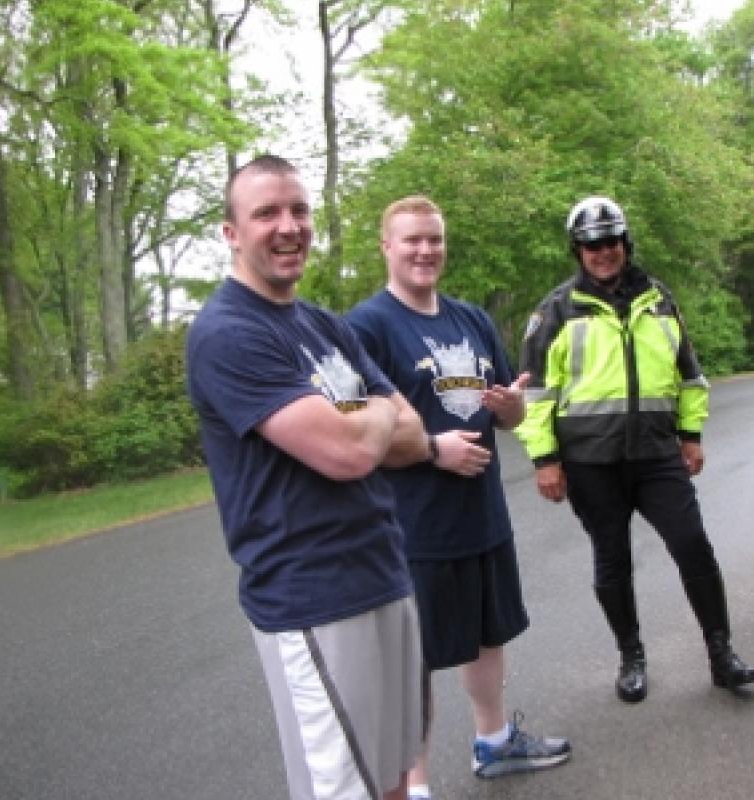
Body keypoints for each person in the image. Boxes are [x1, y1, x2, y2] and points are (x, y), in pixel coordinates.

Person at [186, 155, 425, 800]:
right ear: (232, 231)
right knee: (342, 787)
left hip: (383, 571)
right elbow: (349, 453)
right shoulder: (227, 333)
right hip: (313, 598)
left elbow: (416, 438)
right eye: (266, 212)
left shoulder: (324, 325)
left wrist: (365, 425)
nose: (288, 226)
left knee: (396, 772)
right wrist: (376, 413)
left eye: (298, 209)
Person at [347, 196, 570, 800]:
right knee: (412, 660)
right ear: (387, 246)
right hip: (414, 526)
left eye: (435, 240)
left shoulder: (471, 320)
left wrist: (512, 408)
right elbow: (354, 428)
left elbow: (510, 410)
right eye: (412, 240)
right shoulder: (365, 327)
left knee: (486, 633)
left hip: (482, 515)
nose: (425, 251)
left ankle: (494, 742)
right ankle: (413, 784)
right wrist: (431, 449)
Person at [515, 195, 754, 702]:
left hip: (656, 454)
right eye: (591, 245)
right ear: (577, 250)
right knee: (613, 559)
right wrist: (545, 459)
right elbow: (535, 395)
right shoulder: (556, 311)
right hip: (590, 462)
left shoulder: (659, 299)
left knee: (692, 543)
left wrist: (690, 434)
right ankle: (631, 656)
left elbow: (689, 375)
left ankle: (722, 654)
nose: (603, 252)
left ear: (625, 243)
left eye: (611, 241)